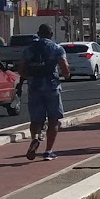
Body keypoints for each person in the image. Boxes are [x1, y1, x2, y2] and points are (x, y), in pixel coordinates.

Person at [22, 23, 71, 161]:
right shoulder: (57, 48)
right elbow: (64, 68)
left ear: (38, 33)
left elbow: (21, 68)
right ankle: (48, 151)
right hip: (52, 87)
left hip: (34, 87)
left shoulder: (29, 49)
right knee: (53, 120)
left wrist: (30, 77)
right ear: (51, 35)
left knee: (36, 120)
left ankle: (35, 138)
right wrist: (65, 74)